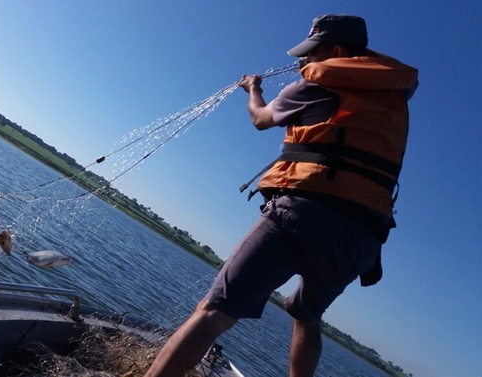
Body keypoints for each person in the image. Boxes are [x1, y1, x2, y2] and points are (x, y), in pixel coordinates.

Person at [146, 14, 418, 377]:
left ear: (336, 50)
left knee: (213, 311)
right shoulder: (394, 103)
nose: (303, 61)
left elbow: (260, 119)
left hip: (302, 216)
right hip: (362, 239)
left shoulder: (314, 85)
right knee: (307, 316)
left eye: (311, 52)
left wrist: (253, 89)